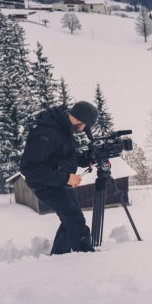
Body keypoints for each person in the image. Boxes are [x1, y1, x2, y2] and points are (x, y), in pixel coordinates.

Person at [19, 101, 99, 255]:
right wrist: (66, 178)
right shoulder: (46, 132)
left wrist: (88, 160)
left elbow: (67, 155)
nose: (83, 130)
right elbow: (28, 167)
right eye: (85, 126)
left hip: (60, 182)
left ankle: (60, 255)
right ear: (80, 120)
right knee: (74, 218)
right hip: (46, 184)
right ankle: (86, 256)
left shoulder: (62, 129)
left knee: (71, 217)